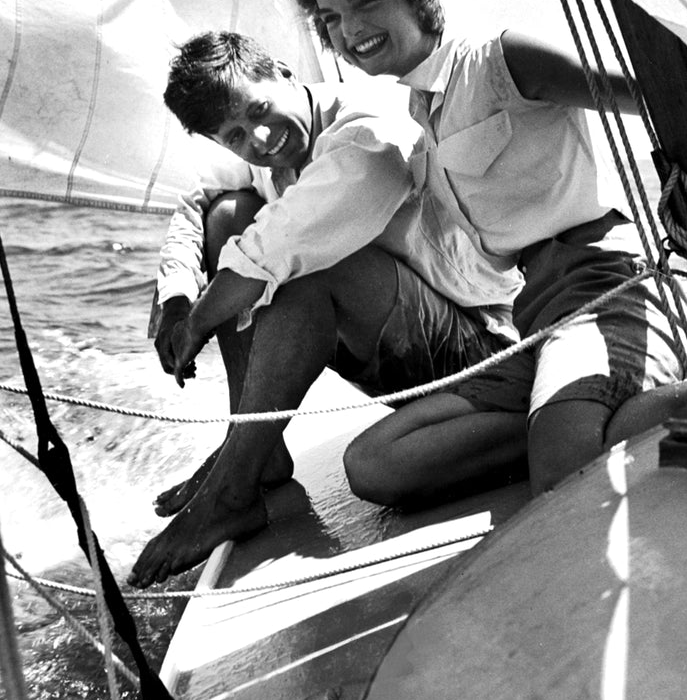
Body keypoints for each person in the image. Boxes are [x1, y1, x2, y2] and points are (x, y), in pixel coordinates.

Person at [278, 0, 687, 500]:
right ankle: (582, 416)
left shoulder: (500, 59)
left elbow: (662, 97)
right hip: (536, 315)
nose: (350, 30)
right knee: (375, 464)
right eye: (332, 17)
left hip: (608, 283)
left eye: (366, 0)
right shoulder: (419, 109)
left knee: (564, 481)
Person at [128, 30, 524, 588]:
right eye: (235, 136)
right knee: (228, 214)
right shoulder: (266, 154)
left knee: (305, 269)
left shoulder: (368, 128)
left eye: (260, 110)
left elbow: (287, 242)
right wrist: (176, 297)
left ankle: (233, 488)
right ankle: (254, 453)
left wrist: (200, 320)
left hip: (487, 349)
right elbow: (195, 203)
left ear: (288, 74)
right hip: (411, 361)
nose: (260, 139)